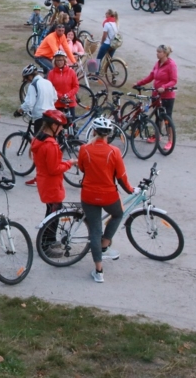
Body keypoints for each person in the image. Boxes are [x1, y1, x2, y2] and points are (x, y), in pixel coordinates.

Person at [78, 116, 134, 283]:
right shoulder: (114, 152)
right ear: (109, 134)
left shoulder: (84, 149)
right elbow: (121, 177)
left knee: (95, 231)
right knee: (118, 214)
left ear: (94, 131)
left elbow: (82, 168)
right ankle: (105, 245)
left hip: (88, 195)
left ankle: (99, 271)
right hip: (108, 195)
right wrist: (131, 190)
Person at [33, 110, 74, 243]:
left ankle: (46, 240)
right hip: (52, 184)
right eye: (61, 126)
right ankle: (47, 243)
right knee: (54, 215)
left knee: (51, 212)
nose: (62, 129)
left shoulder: (39, 139)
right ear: (54, 125)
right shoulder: (50, 145)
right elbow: (54, 169)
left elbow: (50, 164)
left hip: (44, 181)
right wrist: (69, 163)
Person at [134, 44, 178, 150]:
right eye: (157, 52)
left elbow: (174, 80)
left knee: (167, 118)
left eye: (159, 52)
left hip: (167, 95)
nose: (157, 54)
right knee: (158, 117)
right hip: (156, 94)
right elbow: (151, 76)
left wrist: (164, 87)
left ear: (165, 53)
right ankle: (157, 135)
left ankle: (170, 140)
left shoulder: (171, 65)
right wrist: (139, 83)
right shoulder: (158, 63)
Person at [16, 63, 57, 150]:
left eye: (26, 78)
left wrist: (19, 111)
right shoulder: (48, 82)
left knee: (39, 144)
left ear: (30, 76)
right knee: (50, 142)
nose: (26, 80)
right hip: (51, 115)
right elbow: (55, 98)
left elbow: (29, 104)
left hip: (40, 117)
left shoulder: (33, 85)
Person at [46, 49, 79, 115]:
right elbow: (50, 88)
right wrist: (60, 96)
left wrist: (68, 95)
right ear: (54, 61)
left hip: (69, 102)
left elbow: (76, 86)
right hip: (57, 103)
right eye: (57, 60)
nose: (59, 62)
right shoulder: (51, 73)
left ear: (64, 61)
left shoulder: (71, 72)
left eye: (61, 60)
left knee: (71, 120)